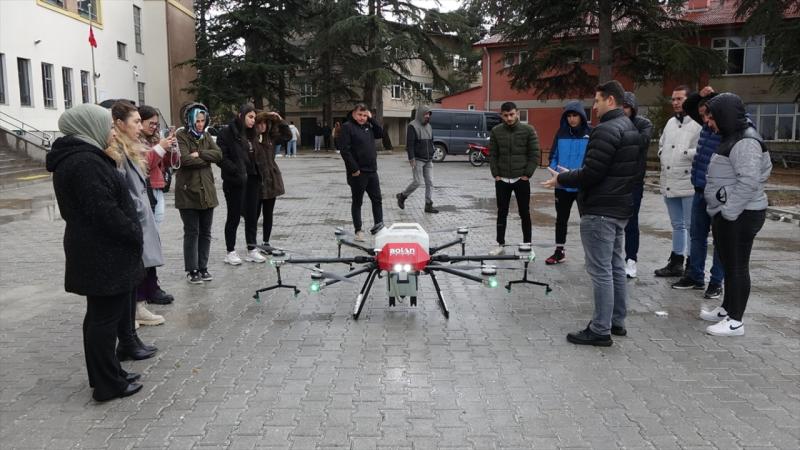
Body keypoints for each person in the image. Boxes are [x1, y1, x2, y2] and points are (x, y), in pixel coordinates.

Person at [46, 104, 145, 401]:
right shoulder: (84, 162)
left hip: (100, 252)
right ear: (90, 126)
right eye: (108, 126)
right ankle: (107, 384)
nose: (112, 131)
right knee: (103, 320)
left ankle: (110, 373)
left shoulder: (83, 157)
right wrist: (132, 230)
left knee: (101, 318)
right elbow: (103, 211)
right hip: (102, 253)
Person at [542, 80, 639, 346]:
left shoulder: (606, 130)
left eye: (596, 101)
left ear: (610, 100)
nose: (593, 108)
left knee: (601, 271)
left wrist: (563, 179)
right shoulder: (629, 127)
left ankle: (600, 329)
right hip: (619, 208)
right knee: (615, 266)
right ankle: (616, 321)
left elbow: (592, 172)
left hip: (601, 211)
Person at [701, 93, 771, 336]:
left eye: (712, 117)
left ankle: (736, 321)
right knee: (730, 265)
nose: (709, 122)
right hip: (731, 213)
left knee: (738, 266)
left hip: (741, 215)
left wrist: (728, 210)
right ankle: (727, 309)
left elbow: (750, 180)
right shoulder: (733, 136)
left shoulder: (746, 141)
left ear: (725, 115)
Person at [110, 101, 166, 333]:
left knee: (142, 261)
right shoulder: (116, 150)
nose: (140, 127)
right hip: (133, 214)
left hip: (141, 211)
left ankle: (138, 306)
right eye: (136, 122)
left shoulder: (132, 146)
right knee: (134, 263)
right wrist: (135, 210)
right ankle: (131, 310)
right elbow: (122, 186)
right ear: (120, 124)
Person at [672, 86, 725, 298]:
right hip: (700, 189)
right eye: (701, 115)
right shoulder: (706, 122)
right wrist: (701, 96)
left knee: (720, 240)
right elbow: (687, 106)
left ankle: (716, 281)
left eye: (706, 115)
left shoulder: (728, 127)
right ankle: (695, 276)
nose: (703, 120)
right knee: (696, 235)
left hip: (719, 193)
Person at [654, 85, 702, 278]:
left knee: (691, 226)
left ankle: (692, 263)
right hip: (669, 180)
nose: (675, 103)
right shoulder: (670, 123)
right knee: (677, 224)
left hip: (688, 181)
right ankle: (676, 261)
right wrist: (662, 153)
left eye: (679, 99)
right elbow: (662, 143)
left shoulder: (697, 123)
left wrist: (684, 154)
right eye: (673, 99)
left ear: (689, 101)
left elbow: (703, 149)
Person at [175, 103, 223, 284]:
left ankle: (203, 267)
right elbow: (185, 159)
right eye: (197, 121)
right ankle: (192, 269)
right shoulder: (181, 135)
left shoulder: (206, 136)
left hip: (207, 192)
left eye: (203, 120)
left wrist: (200, 153)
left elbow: (218, 155)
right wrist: (203, 159)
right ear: (189, 120)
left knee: (206, 232)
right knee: (192, 232)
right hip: (188, 192)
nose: (200, 124)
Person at [488, 101, 540, 256]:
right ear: (501, 116)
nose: (509, 118)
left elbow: (534, 154)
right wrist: (495, 174)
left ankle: (528, 245)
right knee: (501, 212)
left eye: (511, 114)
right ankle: (500, 244)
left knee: (524, 212)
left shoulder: (528, 130)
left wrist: (527, 174)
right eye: (505, 115)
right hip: (502, 180)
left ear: (517, 113)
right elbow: (493, 154)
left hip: (521, 180)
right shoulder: (496, 131)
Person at [217, 104, 266, 265]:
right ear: (241, 115)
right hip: (235, 181)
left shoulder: (253, 134)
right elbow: (221, 157)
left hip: (252, 179)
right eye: (250, 117)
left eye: (254, 117)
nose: (253, 121)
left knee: (252, 216)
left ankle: (252, 249)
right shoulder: (227, 133)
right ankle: (230, 251)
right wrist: (236, 170)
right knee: (234, 216)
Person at [138, 105, 176, 306]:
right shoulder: (137, 141)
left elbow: (167, 163)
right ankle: (148, 289)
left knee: (153, 240)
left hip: (157, 188)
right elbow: (144, 163)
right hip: (147, 190)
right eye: (149, 123)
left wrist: (170, 148)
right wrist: (160, 147)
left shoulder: (152, 140)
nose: (154, 127)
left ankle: (151, 286)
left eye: (156, 123)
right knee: (148, 242)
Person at [544, 101, 591, 265]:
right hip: (562, 185)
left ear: (581, 116)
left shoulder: (590, 133)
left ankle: (590, 255)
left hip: (582, 186)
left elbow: (593, 159)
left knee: (586, 221)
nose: (572, 119)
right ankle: (559, 251)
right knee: (561, 219)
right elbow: (553, 156)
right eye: (569, 116)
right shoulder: (561, 133)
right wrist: (554, 170)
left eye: (575, 115)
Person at [340, 103, 385, 241]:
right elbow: (345, 150)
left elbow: (380, 133)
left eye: (365, 115)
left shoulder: (368, 126)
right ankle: (358, 230)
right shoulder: (347, 127)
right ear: (354, 114)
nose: (362, 118)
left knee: (377, 200)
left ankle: (380, 227)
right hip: (358, 173)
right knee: (357, 201)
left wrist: (371, 120)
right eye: (360, 114)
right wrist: (354, 169)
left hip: (372, 171)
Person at [621, 92, 653, 278]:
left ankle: (631, 259)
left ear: (633, 108)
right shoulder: (612, 124)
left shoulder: (643, 124)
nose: (623, 111)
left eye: (626, 107)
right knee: (613, 222)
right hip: (615, 181)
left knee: (631, 222)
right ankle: (615, 259)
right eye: (621, 107)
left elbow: (642, 142)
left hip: (634, 181)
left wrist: (622, 133)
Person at [253, 111, 292, 250]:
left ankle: (266, 241)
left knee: (268, 214)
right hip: (256, 180)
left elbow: (288, 136)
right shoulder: (251, 139)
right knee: (254, 214)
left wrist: (280, 119)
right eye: (259, 123)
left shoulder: (271, 137)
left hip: (271, 180)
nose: (262, 126)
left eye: (264, 123)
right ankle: (251, 242)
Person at [396, 106, 439, 214]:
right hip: (418, 159)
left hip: (428, 160)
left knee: (430, 182)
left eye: (429, 114)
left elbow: (431, 141)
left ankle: (428, 205)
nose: (428, 116)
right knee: (417, 182)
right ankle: (402, 196)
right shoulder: (412, 126)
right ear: (420, 114)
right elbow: (409, 144)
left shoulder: (429, 126)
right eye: (426, 114)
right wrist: (411, 158)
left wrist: (432, 151)